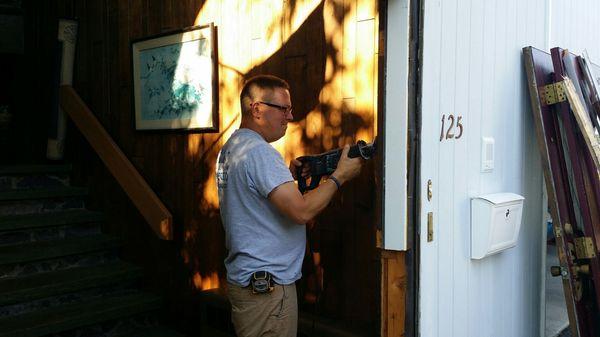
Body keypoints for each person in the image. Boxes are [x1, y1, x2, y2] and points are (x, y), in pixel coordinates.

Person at [216, 74, 363, 337]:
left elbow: (254, 200)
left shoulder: (232, 147)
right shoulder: (260, 152)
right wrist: (340, 175)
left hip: (250, 284)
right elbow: (302, 211)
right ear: (257, 109)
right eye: (284, 108)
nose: (290, 116)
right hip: (267, 291)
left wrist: (286, 178)